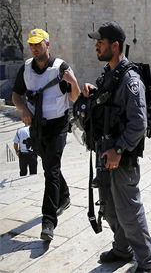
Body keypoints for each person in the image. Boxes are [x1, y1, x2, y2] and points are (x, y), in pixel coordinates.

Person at [83, 21, 151, 273]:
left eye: (100, 42)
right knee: (110, 209)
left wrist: (119, 149)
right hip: (105, 153)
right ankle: (122, 248)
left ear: (115, 46)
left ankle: (146, 263)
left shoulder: (130, 78)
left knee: (129, 212)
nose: (96, 46)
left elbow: (139, 123)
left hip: (121, 158)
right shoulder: (109, 75)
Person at [12, 29, 79, 241]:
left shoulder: (61, 68)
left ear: (47, 44)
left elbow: (75, 97)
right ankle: (65, 196)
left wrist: (74, 82)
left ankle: (48, 221)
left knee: (50, 169)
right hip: (37, 127)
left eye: (38, 44)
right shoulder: (26, 69)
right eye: (31, 45)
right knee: (50, 166)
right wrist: (23, 108)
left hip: (58, 125)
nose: (34, 48)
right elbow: (16, 95)